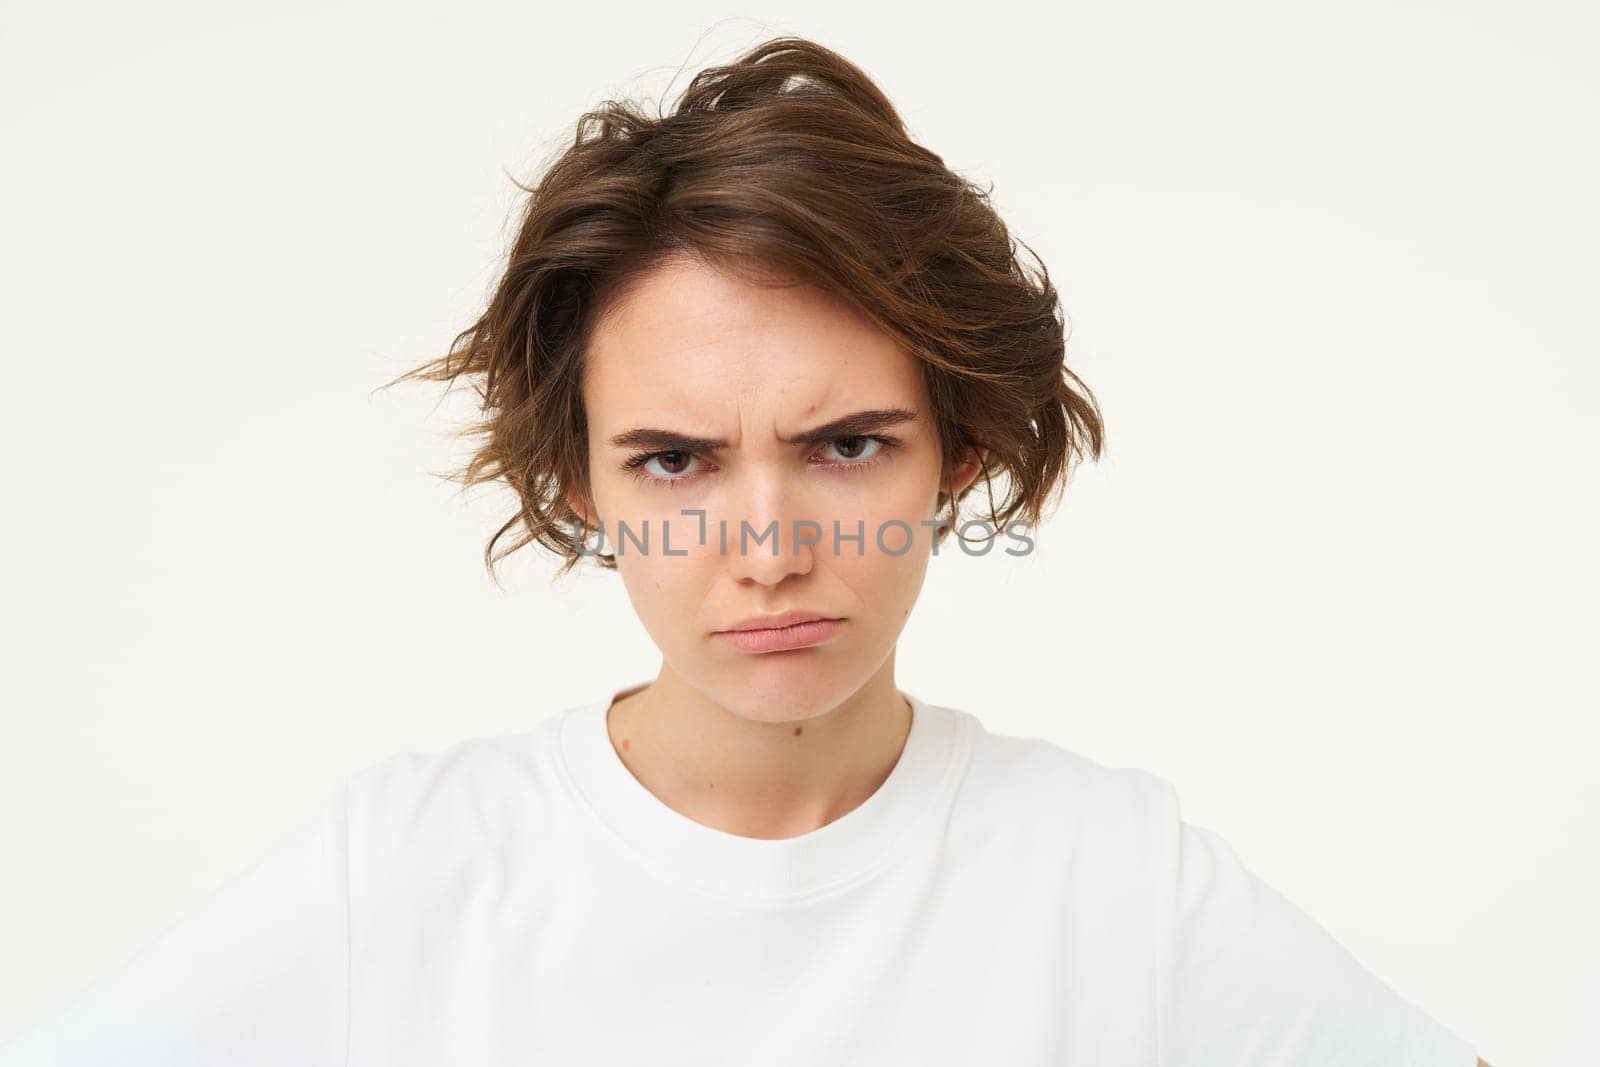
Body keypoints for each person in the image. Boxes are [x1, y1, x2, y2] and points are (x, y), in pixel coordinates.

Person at [0, 35, 1486, 1067]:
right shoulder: (408, 873)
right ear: (579, 485)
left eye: (847, 445)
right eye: (675, 461)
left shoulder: (1109, 876)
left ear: (956, 451)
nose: (768, 546)